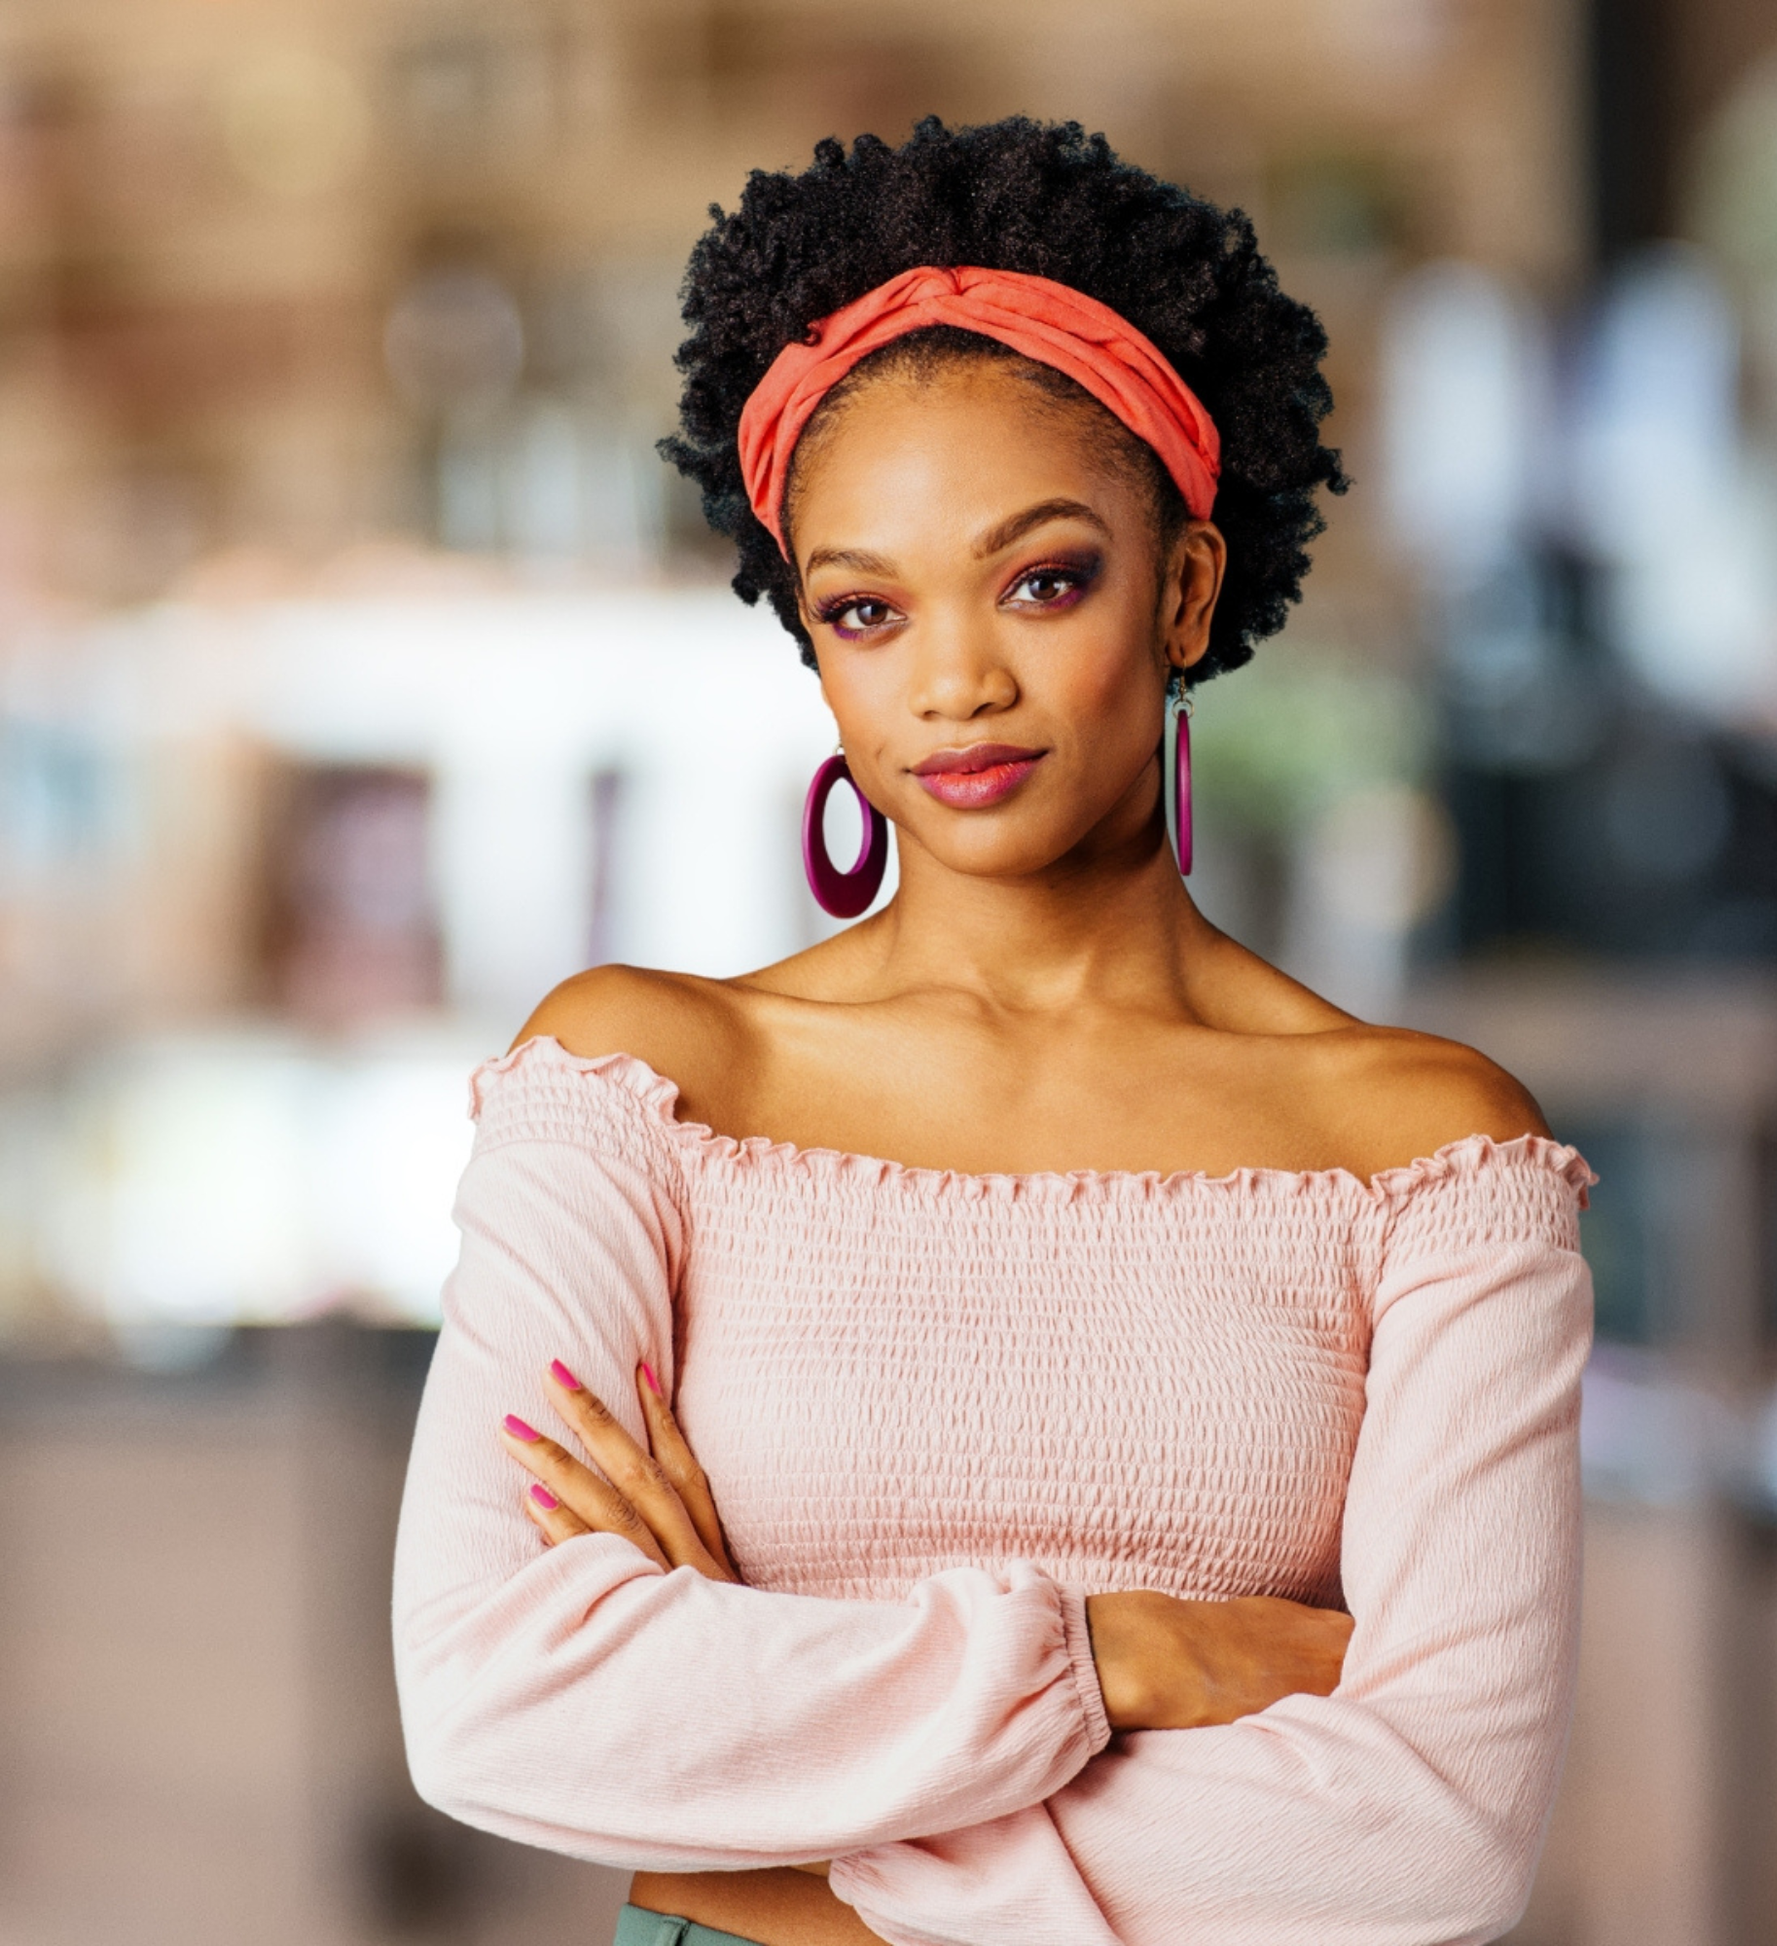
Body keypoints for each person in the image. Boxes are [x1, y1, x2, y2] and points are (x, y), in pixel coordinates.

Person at [392, 116, 1593, 1946]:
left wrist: (767, 1759)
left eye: (1042, 579)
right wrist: (1110, 1656)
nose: (952, 680)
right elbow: (493, 1700)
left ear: (1182, 589)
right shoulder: (645, 1085)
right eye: (865, 609)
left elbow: (1435, 1842)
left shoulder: (1425, 1150)